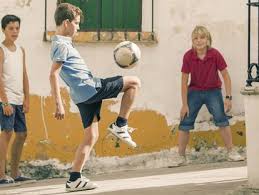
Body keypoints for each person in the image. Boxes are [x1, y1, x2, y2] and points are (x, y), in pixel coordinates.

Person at [49, 3, 141, 192]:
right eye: (76, 23)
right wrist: (58, 104)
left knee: (91, 136)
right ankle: (121, 125)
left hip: (82, 96)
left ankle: (74, 178)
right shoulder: (60, 44)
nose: (79, 27)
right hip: (90, 88)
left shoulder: (62, 42)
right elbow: (53, 74)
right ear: (66, 23)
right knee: (134, 82)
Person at [176, 25, 244, 166]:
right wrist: (184, 104)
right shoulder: (188, 56)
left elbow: (225, 75)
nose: (199, 40)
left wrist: (228, 97)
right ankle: (181, 157)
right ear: (192, 41)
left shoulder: (215, 54)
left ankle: (231, 151)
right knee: (185, 122)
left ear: (208, 40)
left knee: (221, 119)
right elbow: (184, 81)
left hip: (213, 91)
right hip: (194, 91)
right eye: (196, 38)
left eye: (202, 37)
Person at [0, 14, 32, 185]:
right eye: (11, 28)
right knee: (7, 133)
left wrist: (27, 98)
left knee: (22, 134)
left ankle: (14, 173)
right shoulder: (1, 50)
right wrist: (4, 101)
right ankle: (1, 175)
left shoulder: (21, 50)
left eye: (17, 28)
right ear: (3, 29)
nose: (14, 31)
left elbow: (24, 75)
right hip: (7, 100)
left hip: (19, 99)